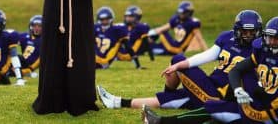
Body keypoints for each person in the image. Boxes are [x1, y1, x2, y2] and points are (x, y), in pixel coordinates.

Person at [98, 10, 262, 112]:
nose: (248, 35)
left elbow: (263, 78)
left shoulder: (261, 49)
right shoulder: (226, 38)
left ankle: (168, 92)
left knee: (178, 64)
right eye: (244, 31)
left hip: (219, 97)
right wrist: (177, 66)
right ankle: (117, 102)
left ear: (259, 32)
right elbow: (206, 56)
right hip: (208, 84)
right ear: (236, 30)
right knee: (165, 98)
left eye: (252, 32)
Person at [141, 16, 278, 124]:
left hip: (266, 112)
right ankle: (159, 120)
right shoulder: (261, 51)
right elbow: (237, 70)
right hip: (250, 103)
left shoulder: (262, 52)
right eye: (269, 37)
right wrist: (238, 89)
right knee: (213, 107)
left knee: (214, 109)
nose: (271, 42)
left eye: (275, 38)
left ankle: (161, 121)